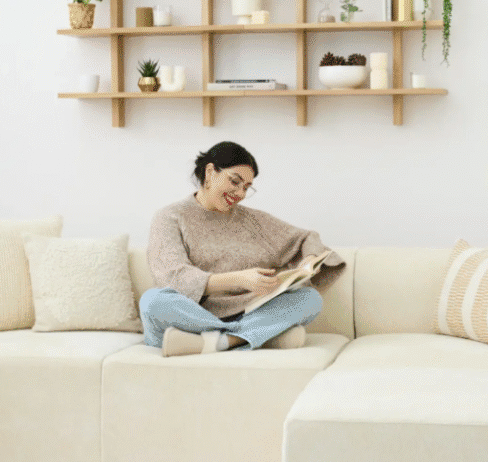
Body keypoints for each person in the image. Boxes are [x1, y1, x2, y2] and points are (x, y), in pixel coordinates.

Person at [142, 141, 346, 357]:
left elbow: (307, 238)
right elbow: (173, 278)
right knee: (153, 302)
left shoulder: (253, 221)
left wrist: (308, 261)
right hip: (192, 315)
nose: (240, 193)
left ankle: (219, 342)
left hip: (247, 312)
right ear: (210, 172)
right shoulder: (170, 217)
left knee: (309, 299)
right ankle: (258, 336)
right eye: (235, 181)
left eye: (247, 188)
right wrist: (239, 279)